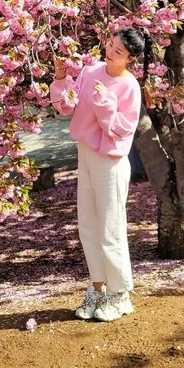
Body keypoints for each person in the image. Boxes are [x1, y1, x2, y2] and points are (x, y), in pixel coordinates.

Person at [49, 26, 151, 322]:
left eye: (118, 51)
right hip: (86, 154)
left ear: (130, 58)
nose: (110, 52)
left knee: (111, 228)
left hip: (111, 161)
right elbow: (68, 107)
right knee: (88, 226)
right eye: (109, 44)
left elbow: (122, 130)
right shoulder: (91, 71)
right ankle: (97, 288)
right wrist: (60, 78)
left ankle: (120, 294)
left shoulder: (129, 86)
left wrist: (105, 104)